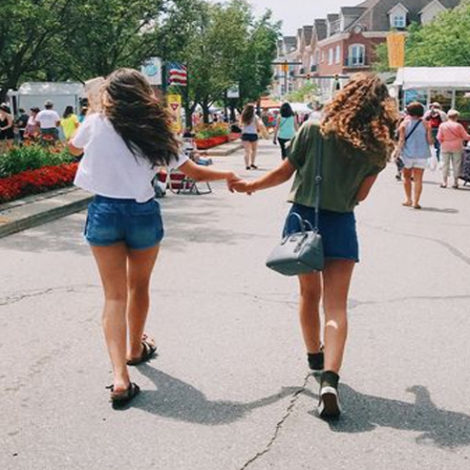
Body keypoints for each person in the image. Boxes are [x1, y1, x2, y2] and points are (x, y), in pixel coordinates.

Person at [67, 68, 239, 409]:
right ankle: (135, 349)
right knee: (139, 286)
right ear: (143, 93)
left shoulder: (96, 122)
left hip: (104, 211)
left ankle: (120, 377)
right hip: (142, 212)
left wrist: (92, 112)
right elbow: (192, 171)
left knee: (113, 296)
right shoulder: (154, 128)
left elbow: (72, 149)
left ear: (110, 95)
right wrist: (229, 175)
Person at [231, 73, 398, 419]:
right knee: (336, 307)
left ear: (344, 96)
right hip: (341, 224)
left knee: (309, 295)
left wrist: (251, 186)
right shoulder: (378, 147)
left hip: (304, 221)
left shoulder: (313, 130)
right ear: (382, 107)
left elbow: (283, 173)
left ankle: (315, 358)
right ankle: (330, 380)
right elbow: (360, 195)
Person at [397, 102, 433, 209]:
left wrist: (397, 151)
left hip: (407, 154)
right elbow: (430, 141)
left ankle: (408, 199)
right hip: (422, 154)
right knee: (418, 179)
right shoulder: (426, 124)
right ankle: (416, 202)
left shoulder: (404, 124)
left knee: (406, 177)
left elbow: (401, 140)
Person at [437, 109, 470, 189]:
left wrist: (443, 142)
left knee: (445, 164)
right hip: (457, 146)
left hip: (445, 146)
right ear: (456, 117)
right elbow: (465, 136)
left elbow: (439, 137)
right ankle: (455, 182)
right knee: (457, 164)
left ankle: (444, 182)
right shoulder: (458, 126)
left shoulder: (442, 125)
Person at [240, 104, 263, 170]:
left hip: (245, 134)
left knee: (246, 151)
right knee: (254, 150)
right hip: (253, 134)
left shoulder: (243, 116)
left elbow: (240, 125)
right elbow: (258, 126)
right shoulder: (255, 117)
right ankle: (252, 163)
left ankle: (247, 165)